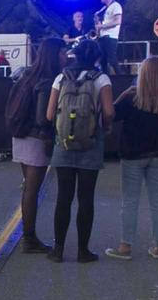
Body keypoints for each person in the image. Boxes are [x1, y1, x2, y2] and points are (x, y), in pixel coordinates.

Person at [44, 37, 116, 262]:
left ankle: (58, 250)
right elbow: (109, 111)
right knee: (86, 198)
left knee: (63, 198)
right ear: (96, 57)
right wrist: (107, 125)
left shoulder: (61, 77)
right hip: (91, 144)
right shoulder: (101, 78)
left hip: (63, 144)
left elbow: (48, 114)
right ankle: (83, 251)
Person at [107, 56, 158, 260]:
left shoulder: (132, 97)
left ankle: (125, 246)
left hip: (133, 153)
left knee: (130, 200)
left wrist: (121, 95)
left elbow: (112, 114)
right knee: (157, 200)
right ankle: (157, 245)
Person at [10, 36, 63, 252]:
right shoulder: (47, 80)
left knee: (28, 187)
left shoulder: (27, 75)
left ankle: (29, 236)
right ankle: (29, 238)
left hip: (20, 134)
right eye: (62, 52)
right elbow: (43, 118)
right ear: (54, 54)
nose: (65, 55)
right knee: (33, 189)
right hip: (36, 137)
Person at [94, 0, 123, 71]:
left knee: (112, 60)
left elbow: (118, 21)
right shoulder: (104, 8)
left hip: (110, 37)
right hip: (102, 37)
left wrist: (101, 26)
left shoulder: (116, 6)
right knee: (103, 61)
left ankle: (121, 76)